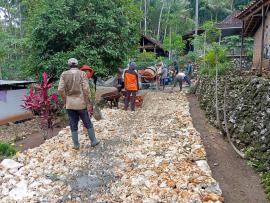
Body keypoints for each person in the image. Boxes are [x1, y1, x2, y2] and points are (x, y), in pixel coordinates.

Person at [58, 58, 100, 150]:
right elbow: (86, 89)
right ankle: (93, 141)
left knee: (73, 123)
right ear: (77, 64)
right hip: (81, 103)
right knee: (87, 122)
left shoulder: (64, 74)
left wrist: (65, 99)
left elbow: (60, 89)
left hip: (70, 104)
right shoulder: (82, 74)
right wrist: (88, 101)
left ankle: (76, 145)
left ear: (69, 65)